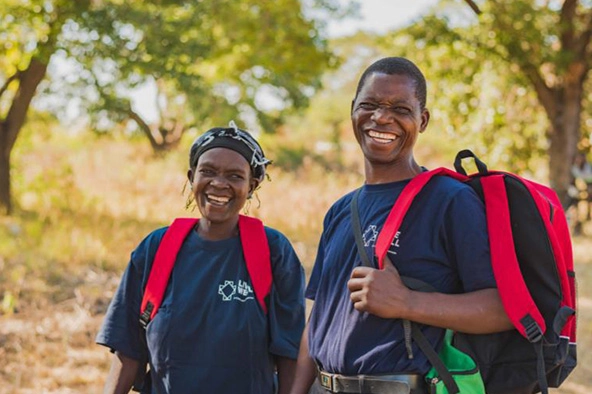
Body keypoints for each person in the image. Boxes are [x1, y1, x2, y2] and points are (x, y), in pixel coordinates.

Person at [289, 57, 513, 394]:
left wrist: (406, 302)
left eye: (400, 109)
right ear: (353, 110)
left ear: (422, 121)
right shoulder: (340, 210)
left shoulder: (448, 200)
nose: (381, 117)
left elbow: (502, 309)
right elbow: (320, 316)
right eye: (370, 105)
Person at [96, 122, 306, 394]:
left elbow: (290, 352)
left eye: (234, 176)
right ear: (191, 176)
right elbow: (128, 351)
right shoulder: (157, 248)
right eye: (208, 171)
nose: (219, 183)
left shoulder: (272, 250)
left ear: (251, 186)